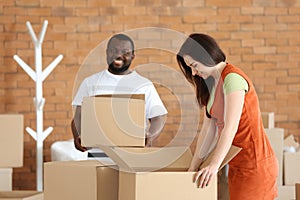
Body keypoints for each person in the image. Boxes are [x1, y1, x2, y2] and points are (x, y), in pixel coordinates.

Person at [176, 33, 278, 199]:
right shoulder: (209, 84)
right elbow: (207, 130)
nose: (193, 73)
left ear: (206, 56)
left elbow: (230, 128)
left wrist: (214, 165)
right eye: (190, 68)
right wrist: (193, 167)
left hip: (255, 164)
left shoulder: (232, 78)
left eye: (194, 65)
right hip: (236, 163)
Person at [71, 33, 168, 154]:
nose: (118, 55)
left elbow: (158, 117)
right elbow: (78, 117)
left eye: (125, 52)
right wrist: (77, 137)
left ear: (133, 56)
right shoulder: (90, 83)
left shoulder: (144, 85)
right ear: (107, 52)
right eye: (114, 50)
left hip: (133, 154)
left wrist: (150, 136)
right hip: (98, 154)